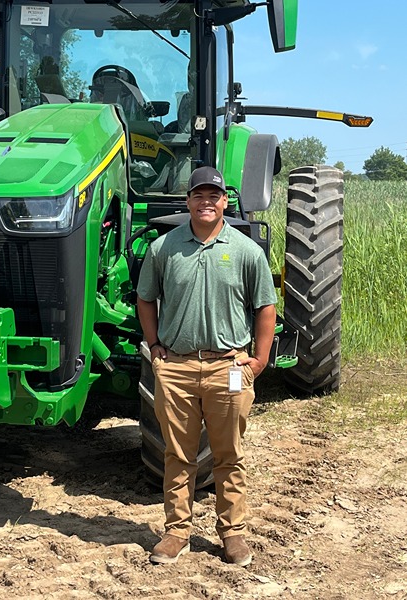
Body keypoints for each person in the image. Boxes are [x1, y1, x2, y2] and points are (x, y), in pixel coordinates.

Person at [136, 166, 277, 567]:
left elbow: (265, 306)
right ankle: (177, 532)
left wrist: (260, 359)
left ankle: (232, 534)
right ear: (188, 202)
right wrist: (154, 346)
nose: (206, 202)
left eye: (213, 196)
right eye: (199, 195)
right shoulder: (163, 249)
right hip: (176, 367)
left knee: (228, 455)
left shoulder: (247, 252)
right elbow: (145, 298)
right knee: (176, 454)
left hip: (228, 367)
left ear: (224, 202)